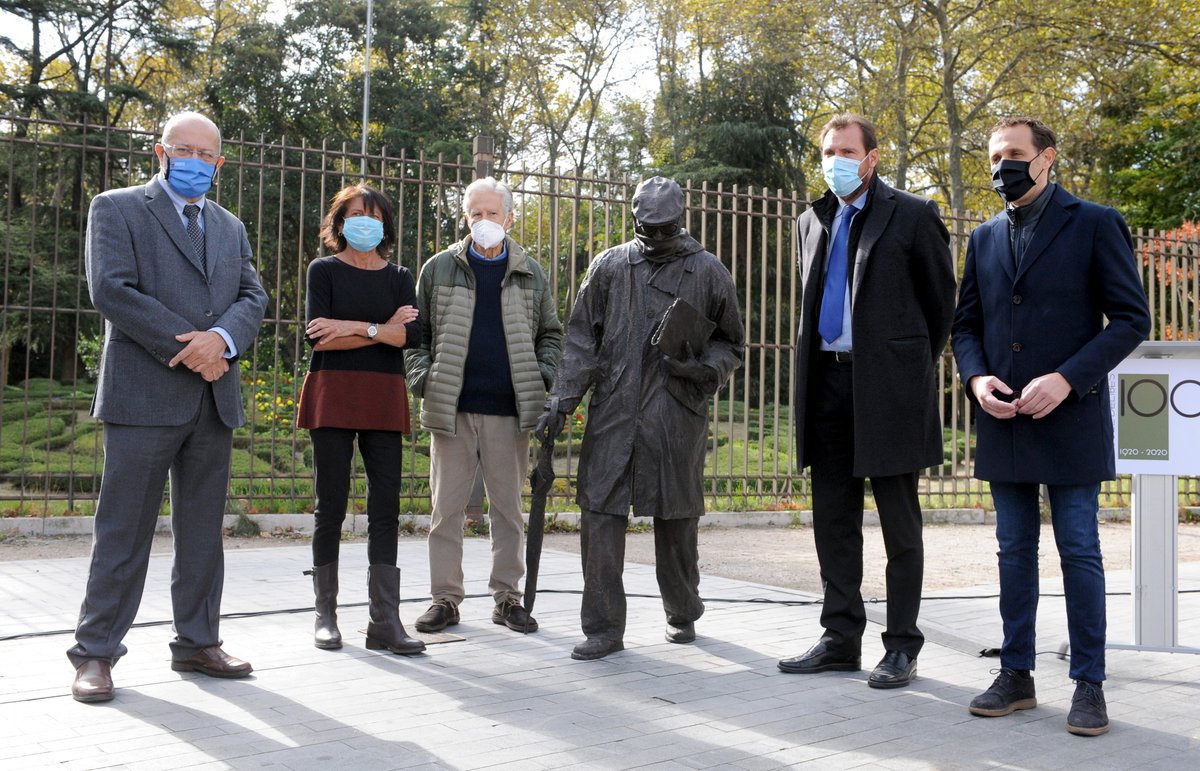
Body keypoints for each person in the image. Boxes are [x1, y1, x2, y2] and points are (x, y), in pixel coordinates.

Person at [952, 117, 1150, 736]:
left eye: (1013, 154)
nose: (1000, 166)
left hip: (1070, 416)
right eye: (993, 157)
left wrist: (1067, 379)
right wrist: (977, 379)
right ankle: (1017, 675)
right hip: (1004, 417)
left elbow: (1130, 318)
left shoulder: (1094, 222)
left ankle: (1089, 685)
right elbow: (964, 326)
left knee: (1079, 551)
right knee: (1013, 551)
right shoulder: (983, 237)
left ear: (1046, 159)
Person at [68, 112, 268, 702]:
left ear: (220, 163)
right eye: (185, 150)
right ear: (161, 151)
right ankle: (96, 652)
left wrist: (224, 342)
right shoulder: (117, 207)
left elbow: (252, 294)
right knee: (123, 530)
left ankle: (197, 642)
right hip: (143, 394)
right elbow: (111, 290)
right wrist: (196, 348)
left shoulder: (230, 227)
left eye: (207, 154)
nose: (195, 161)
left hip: (213, 399)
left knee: (203, 531)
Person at [777, 113, 956, 688]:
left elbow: (941, 308)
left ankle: (902, 645)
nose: (836, 160)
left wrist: (901, 365)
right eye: (828, 151)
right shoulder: (811, 218)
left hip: (888, 389)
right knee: (832, 519)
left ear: (872, 157)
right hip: (825, 383)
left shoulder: (912, 214)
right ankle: (840, 638)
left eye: (847, 150)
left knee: (899, 524)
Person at [538, 176, 744, 661]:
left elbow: (731, 342)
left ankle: (682, 610)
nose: (655, 238)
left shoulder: (708, 271)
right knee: (600, 514)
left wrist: (702, 369)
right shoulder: (610, 265)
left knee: (676, 520)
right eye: (647, 229)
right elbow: (581, 340)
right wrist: (562, 401)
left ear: (681, 220)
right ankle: (604, 628)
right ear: (635, 222)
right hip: (614, 409)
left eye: (665, 229)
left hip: (675, 412)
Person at [405, 177, 563, 635]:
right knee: (445, 512)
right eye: (476, 213)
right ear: (466, 217)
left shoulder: (530, 271)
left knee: (508, 512)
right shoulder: (437, 269)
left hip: (510, 412)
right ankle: (445, 599)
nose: (485, 221)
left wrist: (543, 374)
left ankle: (508, 598)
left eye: (493, 213)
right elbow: (419, 335)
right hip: (451, 410)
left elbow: (551, 332)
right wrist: (424, 378)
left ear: (510, 218)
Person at [296, 184, 425, 656]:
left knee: (385, 508)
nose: (363, 222)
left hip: (383, 396)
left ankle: (384, 621)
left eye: (371, 214)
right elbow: (319, 339)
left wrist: (351, 326)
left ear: (385, 223)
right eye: (353, 214)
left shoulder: (400, 276)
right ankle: (325, 616)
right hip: (333, 392)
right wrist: (380, 329)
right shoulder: (323, 270)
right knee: (330, 505)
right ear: (340, 222)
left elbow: (409, 335)